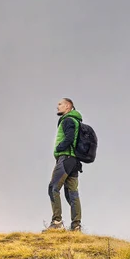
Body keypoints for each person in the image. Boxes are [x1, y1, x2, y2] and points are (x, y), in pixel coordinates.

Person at [47, 98, 83, 231]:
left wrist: (59, 148)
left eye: (60, 104)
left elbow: (69, 137)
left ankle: (57, 222)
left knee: (53, 188)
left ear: (68, 106)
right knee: (72, 193)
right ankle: (76, 226)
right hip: (74, 162)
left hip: (66, 159)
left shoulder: (67, 120)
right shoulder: (76, 120)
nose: (57, 107)